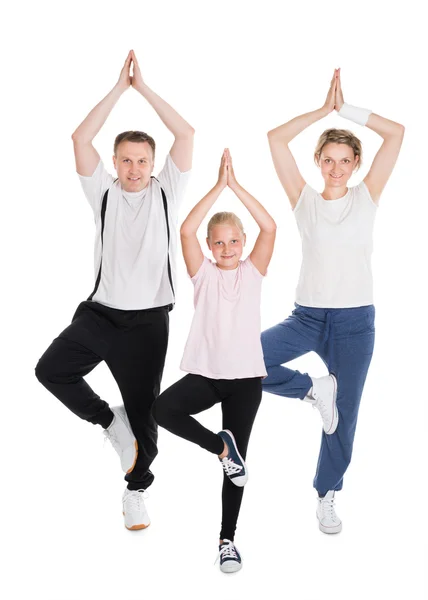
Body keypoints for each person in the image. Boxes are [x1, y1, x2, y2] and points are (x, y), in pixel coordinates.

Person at [35, 50, 194, 530]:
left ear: (152, 163)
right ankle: (109, 420)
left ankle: (135, 493)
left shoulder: (167, 190)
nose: (134, 168)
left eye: (142, 160)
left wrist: (143, 89)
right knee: (51, 370)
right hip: (100, 315)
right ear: (115, 162)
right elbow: (80, 137)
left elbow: (185, 134)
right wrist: (118, 90)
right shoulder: (102, 192)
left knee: (148, 426)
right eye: (125, 160)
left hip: (148, 324)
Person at [262, 69, 404, 534]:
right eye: (329, 160)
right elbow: (275, 139)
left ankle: (327, 494)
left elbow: (397, 132)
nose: (337, 168)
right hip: (306, 317)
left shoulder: (367, 197)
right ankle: (310, 389)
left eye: (345, 159)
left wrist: (349, 112)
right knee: (246, 358)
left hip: (355, 322)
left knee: (345, 417)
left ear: (357, 162)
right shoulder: (304, 199)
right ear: (319, 162)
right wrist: (322, 111)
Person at [153, 149, 276, 573]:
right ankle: (221, 446)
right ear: (210, 247)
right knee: (162, 408)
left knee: (237, 469)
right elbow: (185, 229)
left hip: (245, 382)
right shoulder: (202, 272)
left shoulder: (253, 272)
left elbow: (270, 226)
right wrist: (217, 186)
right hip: (206, 375)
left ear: (243, 244)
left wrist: (236, 187)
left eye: (234, 241)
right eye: (219, 242)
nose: (226, 248)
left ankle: (228, 540)